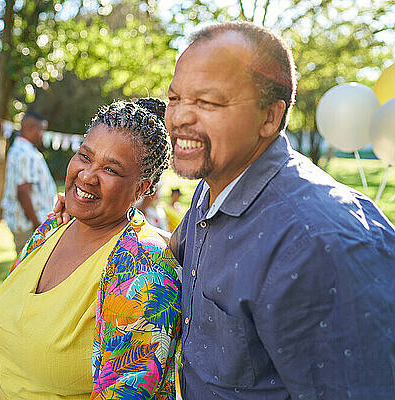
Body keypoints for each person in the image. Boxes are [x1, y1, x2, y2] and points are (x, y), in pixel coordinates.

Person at [165, 22, 395, 398]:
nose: (179, 118)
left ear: (270, 117)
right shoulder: (215, 183)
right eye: (175, 98)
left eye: (207, 102)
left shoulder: (319, 243)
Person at [0, 99, 181, 400]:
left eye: (112, 170)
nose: (87, 175)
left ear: (143, 188)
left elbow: (126, 392)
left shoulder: (143, 272)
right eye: (85, 156)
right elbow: (2, 313)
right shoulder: (51, 227)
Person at [1, 111, 57, 254]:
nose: (42, 135)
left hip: (32, 224)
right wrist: (37, 225)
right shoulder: (24, 153)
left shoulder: (25, 150)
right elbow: (22, 191)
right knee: (28, 271)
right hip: (28, 226)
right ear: (30, 128)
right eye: (41, 130)